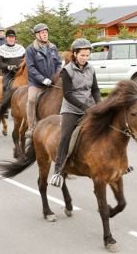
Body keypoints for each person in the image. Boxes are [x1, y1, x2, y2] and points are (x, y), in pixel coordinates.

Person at [49, 38, 101, 188]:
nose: (85, 58)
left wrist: (99, 105)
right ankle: (58, 170)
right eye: (82, 55)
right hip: (71, 109)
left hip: (90, 106)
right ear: (75, 54)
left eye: (87, 55)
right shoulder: (67, 71)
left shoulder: (91, 69)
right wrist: (85, 108)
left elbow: (95, 90)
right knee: (65, 136)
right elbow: (68, 95)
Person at [25, 23, 62, 138]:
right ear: (37, 35)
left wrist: (56, 77)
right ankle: (31, 126)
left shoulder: (53, 47)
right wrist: (42, 79)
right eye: (42, 33)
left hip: (52, 82)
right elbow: (30, 67)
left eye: (46, 32)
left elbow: (58, 64)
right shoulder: (30, 49)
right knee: (31, 99)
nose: (45, 35)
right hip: (36, 83)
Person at [0, 29, 25, 95]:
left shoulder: (21, 48)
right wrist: (8, 67)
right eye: (9, 37)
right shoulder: (1, 49)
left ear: (15, 38)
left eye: (13, 37)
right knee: (6, 86)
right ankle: (4, 104)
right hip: (8, 73)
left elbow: (26, 60)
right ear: (6, 38)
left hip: (20, 72)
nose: (11, 39)